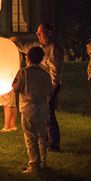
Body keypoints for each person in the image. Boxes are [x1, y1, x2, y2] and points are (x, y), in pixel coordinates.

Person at [13, 23, 65, 152]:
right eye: (37, 33)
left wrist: (51, 90)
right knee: (40, 112)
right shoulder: (37, 46)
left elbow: (55, 71)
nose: (38, 35)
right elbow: (24, 47)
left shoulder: (54, 49)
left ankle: (53, 144)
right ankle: (44, 141)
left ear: (49, 33)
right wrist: (11, 41)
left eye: (40, 33)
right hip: (37, 82)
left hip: (48, 84)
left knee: (49, 114)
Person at [12, 46, 53, 174]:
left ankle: (34, 164)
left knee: (30, 137)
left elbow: (16, 88)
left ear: (27, 57)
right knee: (42, 136)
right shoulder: (45, 74)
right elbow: (50, 91)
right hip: (43, 108)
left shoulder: (24, 72)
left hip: (29, 107)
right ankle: (43, 162)